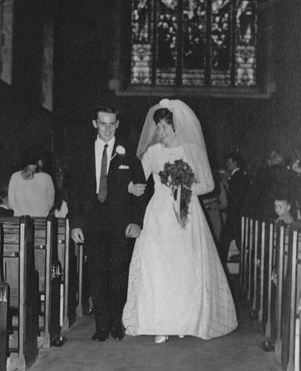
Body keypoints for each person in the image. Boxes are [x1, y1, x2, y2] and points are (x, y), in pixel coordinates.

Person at [123, 98, 237, 343]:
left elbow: (208, 184)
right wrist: (131, 187)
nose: (161, 132)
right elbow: (138, 181)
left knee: (185, 266)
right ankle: (160, 323)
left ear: (177, 127)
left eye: (166, 127)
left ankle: (185, 320)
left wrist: (185, 187)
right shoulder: (153, 152)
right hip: (159, 214)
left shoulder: (192, 151)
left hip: (186, 212)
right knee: (159, 266)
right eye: (159, 127)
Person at [68, 105, 147, 342]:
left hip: (120, 225)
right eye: (103, 123)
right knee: (96, 275)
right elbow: (75, 192)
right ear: (95, 124)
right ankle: (101, 325)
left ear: (117, 125)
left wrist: (136, 222)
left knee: (117, 275)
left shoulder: (128, 156)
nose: (108, 128)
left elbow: (141, 191)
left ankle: (117, 322)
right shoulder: (82, 154)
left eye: (112, 123)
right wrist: (76, 224)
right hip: (92, 224)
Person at [218, 151, 249, 266]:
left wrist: (228, 211)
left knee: (225, 243)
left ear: (235, 163)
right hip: (237, 216)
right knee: (235, 242)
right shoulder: (240, 176)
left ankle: (222, 268)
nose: (227, 165)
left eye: (229, 162)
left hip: (235, 217)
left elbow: (236, 200)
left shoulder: (237, 178)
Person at [8, 145, 55, 217]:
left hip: (19, 222)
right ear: (39, 161)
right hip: (40, 222)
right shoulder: (46, 178)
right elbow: (50, 203)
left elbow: (11, 204)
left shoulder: (15, 176)